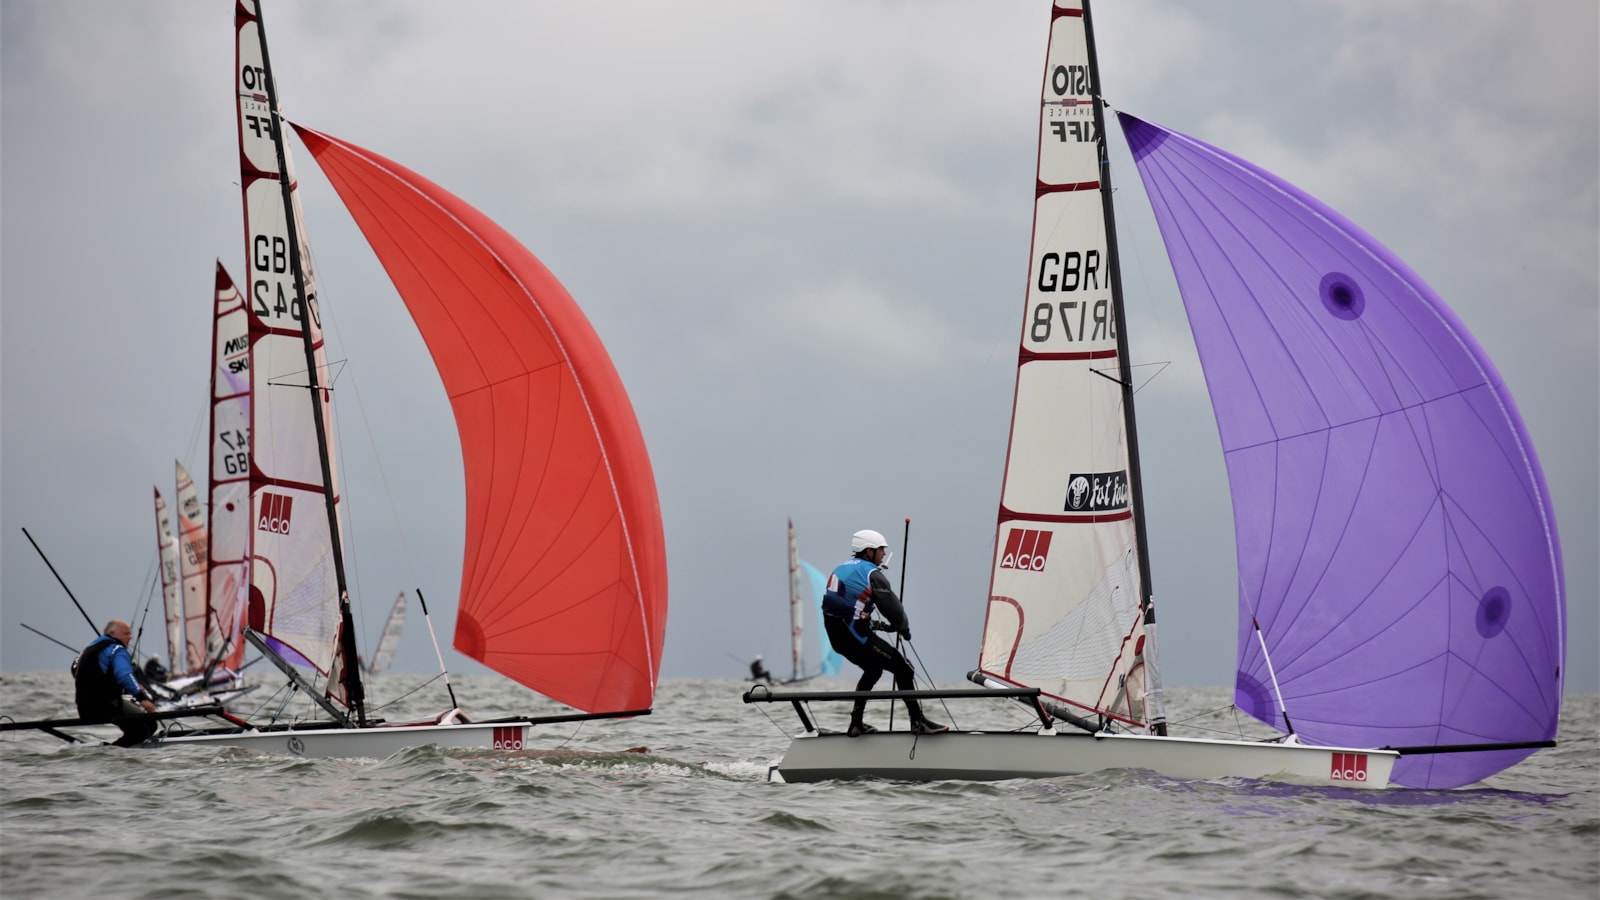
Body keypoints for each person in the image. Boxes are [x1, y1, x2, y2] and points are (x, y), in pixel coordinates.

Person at [822, 529, 947, 736]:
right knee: (904, 669)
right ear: (869, 551)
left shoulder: (842, 567)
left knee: (873, 670)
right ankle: (917, 722)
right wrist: (903, 627)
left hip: (839, 638)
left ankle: (856, 724)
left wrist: (881, 626)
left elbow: (848, 612)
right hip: (857, 637)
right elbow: (893, 609)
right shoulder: (872, 574)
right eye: (881, 549)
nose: (884, 554)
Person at [74, 620, 159, 747]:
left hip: (84, 707)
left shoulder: (89, 648)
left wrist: (123, 687)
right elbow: (124, 675)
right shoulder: (117, 649)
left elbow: (77, 671)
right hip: (105, 705)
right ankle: (112, 750)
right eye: (126, 633)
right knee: (149, 725)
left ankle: (122, 745)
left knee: (134, 728)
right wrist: (142, 699)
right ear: (112, 634)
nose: (130, 637)